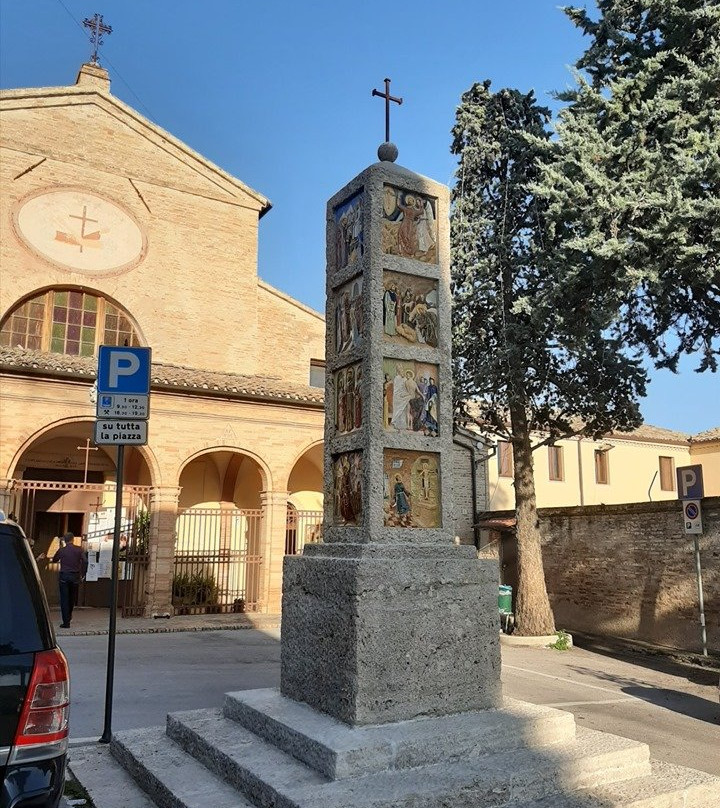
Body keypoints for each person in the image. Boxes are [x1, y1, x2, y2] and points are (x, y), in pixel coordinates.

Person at [37, 532, 86, 628]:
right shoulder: (79, 549)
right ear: (72, 539)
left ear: (65, 540)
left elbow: (55, 559)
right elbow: (85, 561)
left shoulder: (62, 550)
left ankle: (66, 622)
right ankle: (69, 615)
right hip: (75, 576)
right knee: (72, 598)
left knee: (64, 599)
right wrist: (83, 574)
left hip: (64, 576)